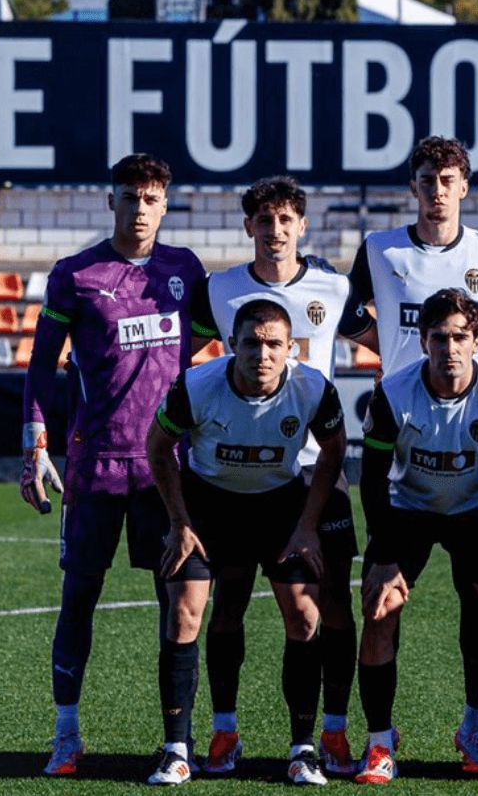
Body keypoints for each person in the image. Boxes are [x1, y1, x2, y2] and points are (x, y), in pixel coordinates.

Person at [20, 153, 205, 777]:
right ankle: (66, 735)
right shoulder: (75, 274)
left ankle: (176, 744)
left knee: (176, 603)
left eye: (152, 198)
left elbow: (209, 343)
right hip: (94, 464)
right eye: (130, 197)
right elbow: (43, 365)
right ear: (112, 201)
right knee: (79, 598)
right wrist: (36, 441)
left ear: (166, 204)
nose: (141, 208)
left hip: (166, 471)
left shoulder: (185, 270)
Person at [344, 136, 478, 773]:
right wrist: (392, 349)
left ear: (464, 187)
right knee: (383, 600)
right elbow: (346, 315)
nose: (437, 189)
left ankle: (477, 728)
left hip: (474, 455)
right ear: (412, 186)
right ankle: (379, 742)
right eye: (426, 178)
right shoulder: (379, 249)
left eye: (448, 179)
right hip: (407, 450)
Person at [187, 176, 365, 776]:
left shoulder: (334, 286)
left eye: (286, 220)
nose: (275, 232)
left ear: (302, 227)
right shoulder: (220, 291)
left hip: (315, 473)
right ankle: (222, 732)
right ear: (248, 228)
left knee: (331, 606)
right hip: (239, 473)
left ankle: (332, 733)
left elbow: (389, 339)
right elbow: (180, 357)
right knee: (228, 602)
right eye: (264, 221)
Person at [145, 299, 347, 786]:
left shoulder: (313, 389)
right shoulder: (196, 385)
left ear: (289, 348)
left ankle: (302, 750)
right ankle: (181, 747)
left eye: (274, 343)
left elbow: (334, 451)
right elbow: (157, 446)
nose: (263, 353)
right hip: (209, 504)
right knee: (186, 610)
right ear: (231, 344)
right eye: (252, 343)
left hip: (279, 503)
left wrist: (307, 524)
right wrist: (180, 521)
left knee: (304, 613)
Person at [354, 288, 478, 785]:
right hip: (409, 507)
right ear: (422, 341)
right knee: (380, 605)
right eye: (439, 337)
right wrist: (385, 554)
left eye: (461, 337)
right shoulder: (392, 393)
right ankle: (378, 744)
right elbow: (372, 479)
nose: (450, 348)